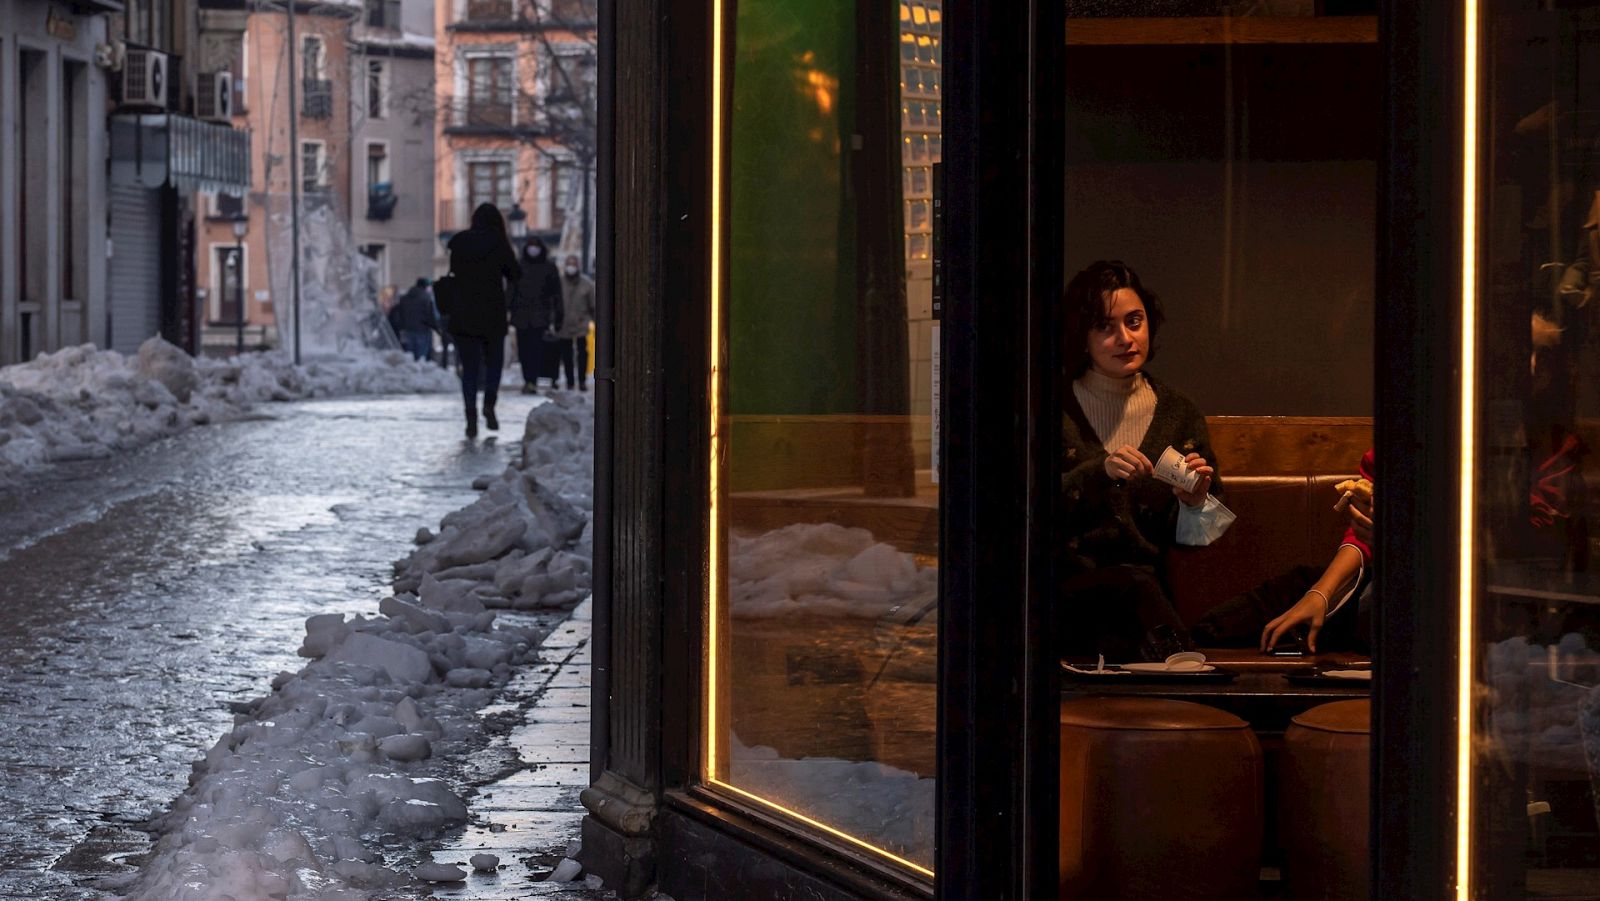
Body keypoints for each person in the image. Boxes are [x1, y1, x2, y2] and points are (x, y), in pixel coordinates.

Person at [1056, 260, 1231, 661]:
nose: (1125, 338)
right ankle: (1185, 676)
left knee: (1137, 586)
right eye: (1105, 327)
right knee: (1133, 584)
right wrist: (1097, 472)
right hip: (1064, 591)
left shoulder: (1178, 414)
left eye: (1134, 322)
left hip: (1145, 600)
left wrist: (1193, 502)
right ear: (1082, 337)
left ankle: (1172, 681)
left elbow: (1200, 538)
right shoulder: (1054, 408)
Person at [1190, 450, 1375, 653]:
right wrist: (1320, 592)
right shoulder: (1383, 454)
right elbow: (1362, 536)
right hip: (1361, 577)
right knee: (1213, 628)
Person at [445, 203, 520, 438]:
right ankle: (489, 403)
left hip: (463, 313)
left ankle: (470, 416)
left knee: (469, 368)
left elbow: (454, 272)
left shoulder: (459, 242)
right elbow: (516, 275)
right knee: (493, 363)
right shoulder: (498, 243)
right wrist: (508, 303)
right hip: (492, 312)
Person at [509, 236, 564, 394]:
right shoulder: (519, 266)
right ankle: (528, 380)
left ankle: (532, 379)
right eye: (530, 245)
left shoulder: (548, 267)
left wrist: (558, 314)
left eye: (535, 245)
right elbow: (512, 290)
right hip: (522, 316)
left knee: (537, 350)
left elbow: (556, 293)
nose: (533, 248)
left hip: (540, 316)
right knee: (524, 351)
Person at [555, 254, 596, 391]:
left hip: (581, 324)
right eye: (569, 264)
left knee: (582, 353)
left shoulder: (587, 284)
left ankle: (582, 380)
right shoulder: (559, 283)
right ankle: (570, 381)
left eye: (573, 264)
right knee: (566, 355)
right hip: (564, 324)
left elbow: (593, 305)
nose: (571, 267)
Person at [388, 277, 438, 362]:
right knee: (421, 360)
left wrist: (402, 328)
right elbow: (431, 316)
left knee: (409, 359)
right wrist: (436, 327)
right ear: (425, 287)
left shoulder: (404, 298)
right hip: (422, 332)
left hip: (407, 332)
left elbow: (400, 315)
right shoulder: (426, 298)